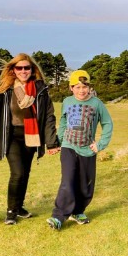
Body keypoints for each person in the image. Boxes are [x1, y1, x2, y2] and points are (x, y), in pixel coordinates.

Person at [0, 53, 60, 225]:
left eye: (26, 67)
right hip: (11, 136)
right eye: (19, 68)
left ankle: (19, 207)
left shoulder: (41, 90)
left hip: (32, 137)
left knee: (25, 173)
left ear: (32, 69)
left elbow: (49, 117)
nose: (23, 71)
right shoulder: (6, 91)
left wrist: (52, 142)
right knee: (17, 173)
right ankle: (11, 211)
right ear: (13, 70)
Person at [47, 70, 113, 231]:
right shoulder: (67, 101)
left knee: (85, 184)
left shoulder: (97, 103)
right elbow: (63, 123)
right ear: (71, 88)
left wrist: (100, 144)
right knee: (67, 181)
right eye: (77, 87)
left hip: (87, 150)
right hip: (69, 147)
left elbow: (108, 124)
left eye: (85, 87)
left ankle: (78, 211)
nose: (81, 90)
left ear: (89, 87)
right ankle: (58, 216)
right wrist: (58, 142)